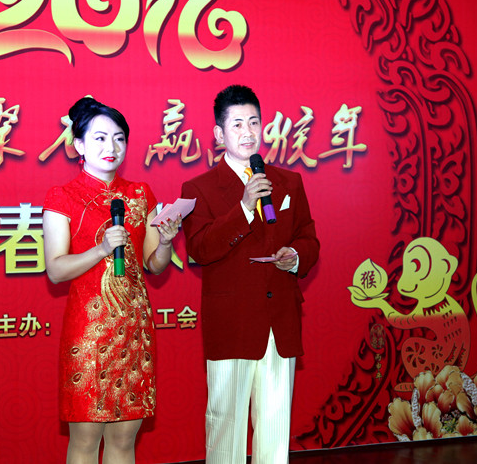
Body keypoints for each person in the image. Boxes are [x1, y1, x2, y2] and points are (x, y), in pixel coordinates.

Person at [180, 85, 319, 463]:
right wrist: (243, 207)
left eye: (254, 122)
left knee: (275, 427)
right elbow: (200, 249)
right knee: (225, 425)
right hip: (232, 325)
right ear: (219, 133)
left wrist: (295, 256)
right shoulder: (199, 188)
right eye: (237, 124)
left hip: (280, 321)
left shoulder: (288, 182)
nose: (248, 132)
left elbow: (309, 238)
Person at [43, 97, 182, 464]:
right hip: (89, 330)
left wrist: (165, 241)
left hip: (133, 328)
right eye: (100, 138)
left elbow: (155, 265)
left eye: (120, 139)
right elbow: (55, 269)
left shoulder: (140, 194)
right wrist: (102, 249)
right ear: (79, 145)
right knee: (86, 439)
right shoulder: (62, 197)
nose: (112, 147)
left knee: (124, 439)